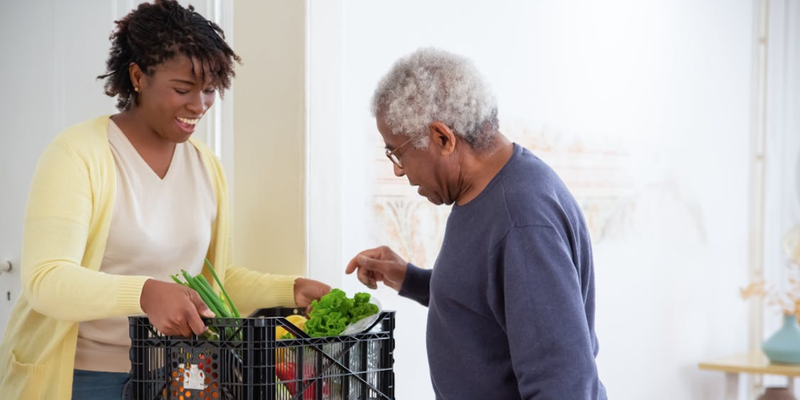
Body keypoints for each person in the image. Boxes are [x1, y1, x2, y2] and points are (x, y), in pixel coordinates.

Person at [0, 2, 330, 399]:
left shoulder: (206, 166)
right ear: (138, 77)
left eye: (209, 90)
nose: (199, 105)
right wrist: (144, 294)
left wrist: (290, 289)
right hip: (81, 377)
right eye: (182, 89)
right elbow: (46, 280)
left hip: (176, 377)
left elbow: (210, 283)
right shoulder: (77, 155)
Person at [345, 48, 607, 399]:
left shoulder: (521, 220)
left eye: (397, 151)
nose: (397, 168)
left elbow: (565, 386)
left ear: (442, 138)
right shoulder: (484, 192)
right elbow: (488, 298)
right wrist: (409, 277)